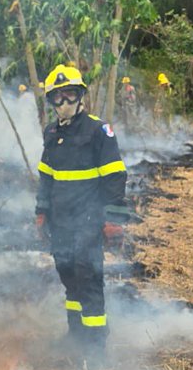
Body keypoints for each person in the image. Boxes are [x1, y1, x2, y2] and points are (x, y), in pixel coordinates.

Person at [35, 64, 127, 354]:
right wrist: (41, 211)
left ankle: (96, 347)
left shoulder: (99, 131)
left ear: (81, 96)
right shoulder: (51, 132)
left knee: (88, 279)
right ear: (51, 102)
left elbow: (115, 177)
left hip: (89, 219)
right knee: (68, 276)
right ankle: (76, 336)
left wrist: (112, 219)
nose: (64, 104)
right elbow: (46, 177)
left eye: (70, 95)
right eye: (57, 98)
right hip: (60, 221)